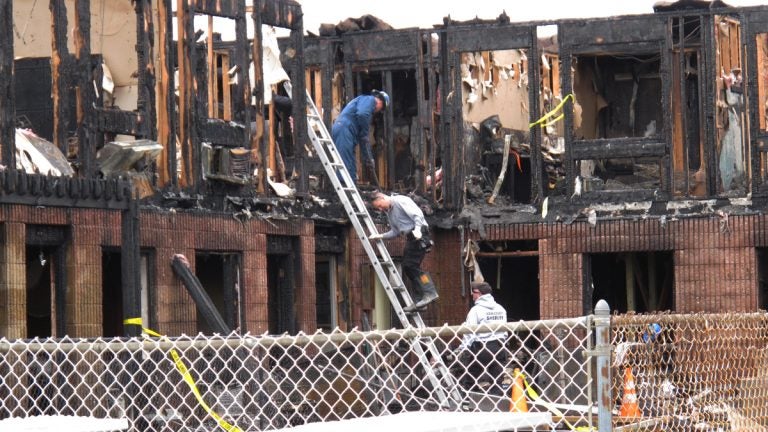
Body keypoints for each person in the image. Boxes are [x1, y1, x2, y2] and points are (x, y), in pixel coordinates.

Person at [368, 191, 437, 311]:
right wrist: (380, 236)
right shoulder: (389, 213)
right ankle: (420, 300)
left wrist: (418, 229)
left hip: (419, 235)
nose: (380, 209)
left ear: (382, 197)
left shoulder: (400, 200)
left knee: (411, 266)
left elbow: (417, 215)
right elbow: (395, 232)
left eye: (379, 205)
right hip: (411, 237)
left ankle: (430, 293)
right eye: (377, 208)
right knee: (408, 267)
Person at [456, 281, 508, 394]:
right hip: (499, 346)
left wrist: (463, 348)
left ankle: (468, 398)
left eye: (473, 293)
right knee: (497, 380)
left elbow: (470, 332)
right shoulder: (500, 308)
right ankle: (496, 401)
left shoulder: (475, 310)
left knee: (471, 377)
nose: (472, 295)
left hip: (482, 347)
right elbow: (505, 331)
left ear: (478, 293)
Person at [331, 90, 390, 185]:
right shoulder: (369, 100)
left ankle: (351, 184)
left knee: (349, 160)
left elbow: (364, 142)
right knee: (345, 161)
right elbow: (362, 114)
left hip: (347, 131)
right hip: (344, 129)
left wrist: (368, 158)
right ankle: (345, 187)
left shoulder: (363, 103)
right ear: (380, 103)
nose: (377, 111)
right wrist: (365, 132)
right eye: (380, 109)